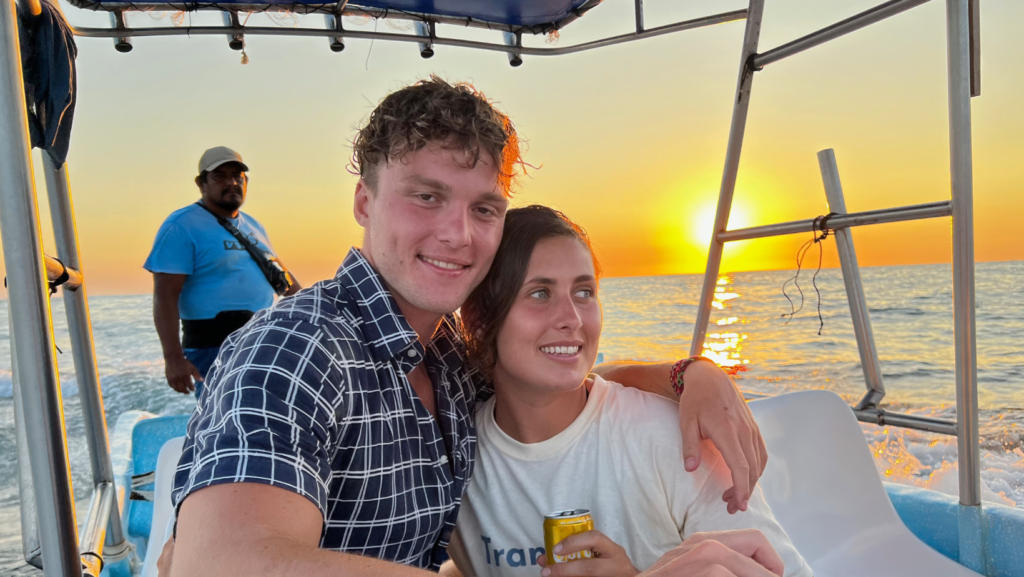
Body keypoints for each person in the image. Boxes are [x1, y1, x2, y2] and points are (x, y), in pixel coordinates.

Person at [161, 78, 769, 577]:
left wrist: (690, 373)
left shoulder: (447, 357)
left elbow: (543, 381)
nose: (460, 233)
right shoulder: (295, 349)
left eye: (484, 208)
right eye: (427, 196)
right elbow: (219, 564)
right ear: (365, 202)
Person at [447, 205, 812, 577]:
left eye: (584, 292)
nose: (572, 319)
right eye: (540, 293)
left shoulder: (670, 437)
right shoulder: (454, 463)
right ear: (476, 320)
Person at [144, 146, 301, 398]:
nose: (231, 182)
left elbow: (284, 281)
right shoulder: (181, 225)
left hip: (263, 342)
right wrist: (173, 359)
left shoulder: (253, 225)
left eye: (237, 176)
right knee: (224, 422)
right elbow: (164, 296)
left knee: (265, 416)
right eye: (219, 176)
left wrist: (320, 313)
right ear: (201, 183)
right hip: (213, 347)